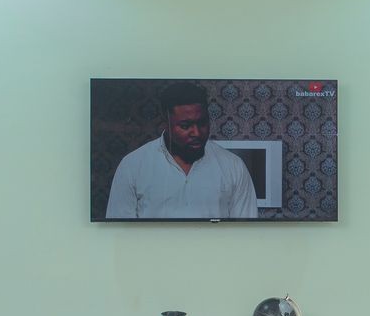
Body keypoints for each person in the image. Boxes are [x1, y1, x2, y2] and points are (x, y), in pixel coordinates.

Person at [105, 81, 258, 219]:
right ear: (165, 122)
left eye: (202, 123)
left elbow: (246, 234)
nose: (197, 133)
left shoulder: (234, 167)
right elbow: (120, 234)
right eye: (185, 126)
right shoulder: (132, 166)